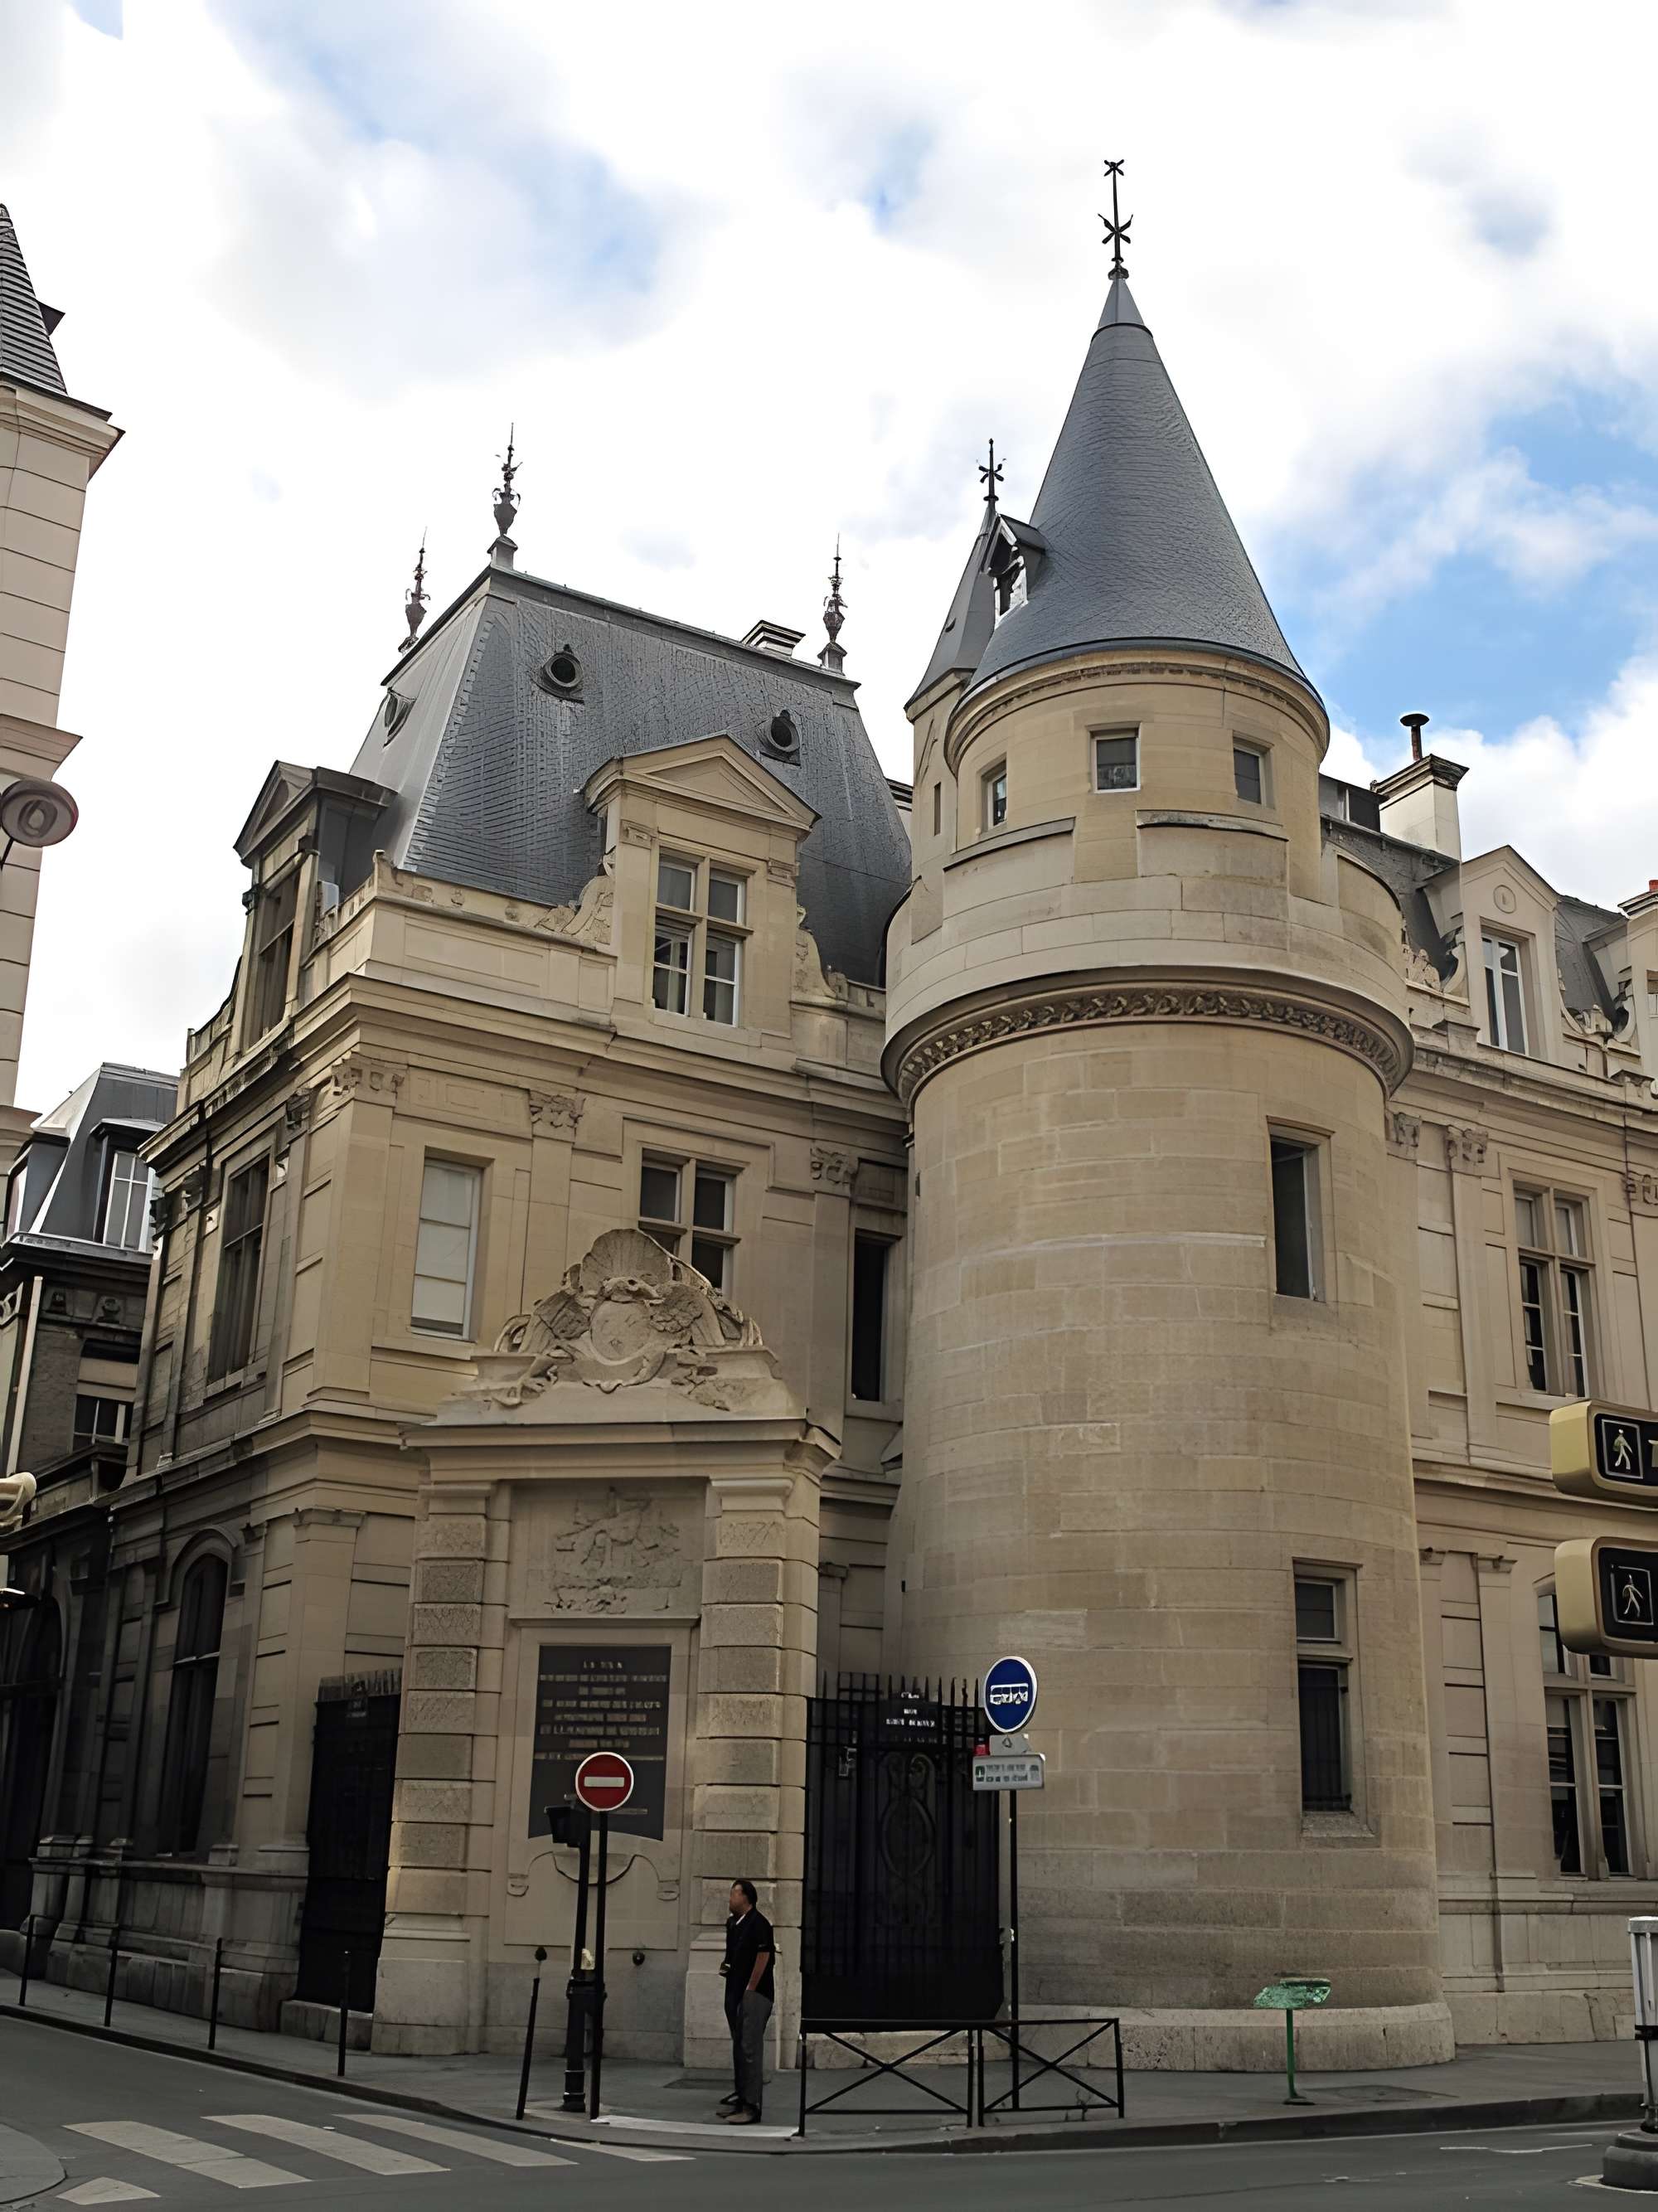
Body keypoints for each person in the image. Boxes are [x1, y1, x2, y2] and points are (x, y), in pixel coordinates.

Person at [717, 1878, 774, 2123]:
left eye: (733, 1894)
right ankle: (741, 2100)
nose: (730, 1899)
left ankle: (752, 2107)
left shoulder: (759, 1923)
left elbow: (764, 1954)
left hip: (754, 1994)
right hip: (735, 1991)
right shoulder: (734, 1924)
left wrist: (751, 1988)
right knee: (739, 2047)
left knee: (750, 2049)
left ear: (746, 1898)